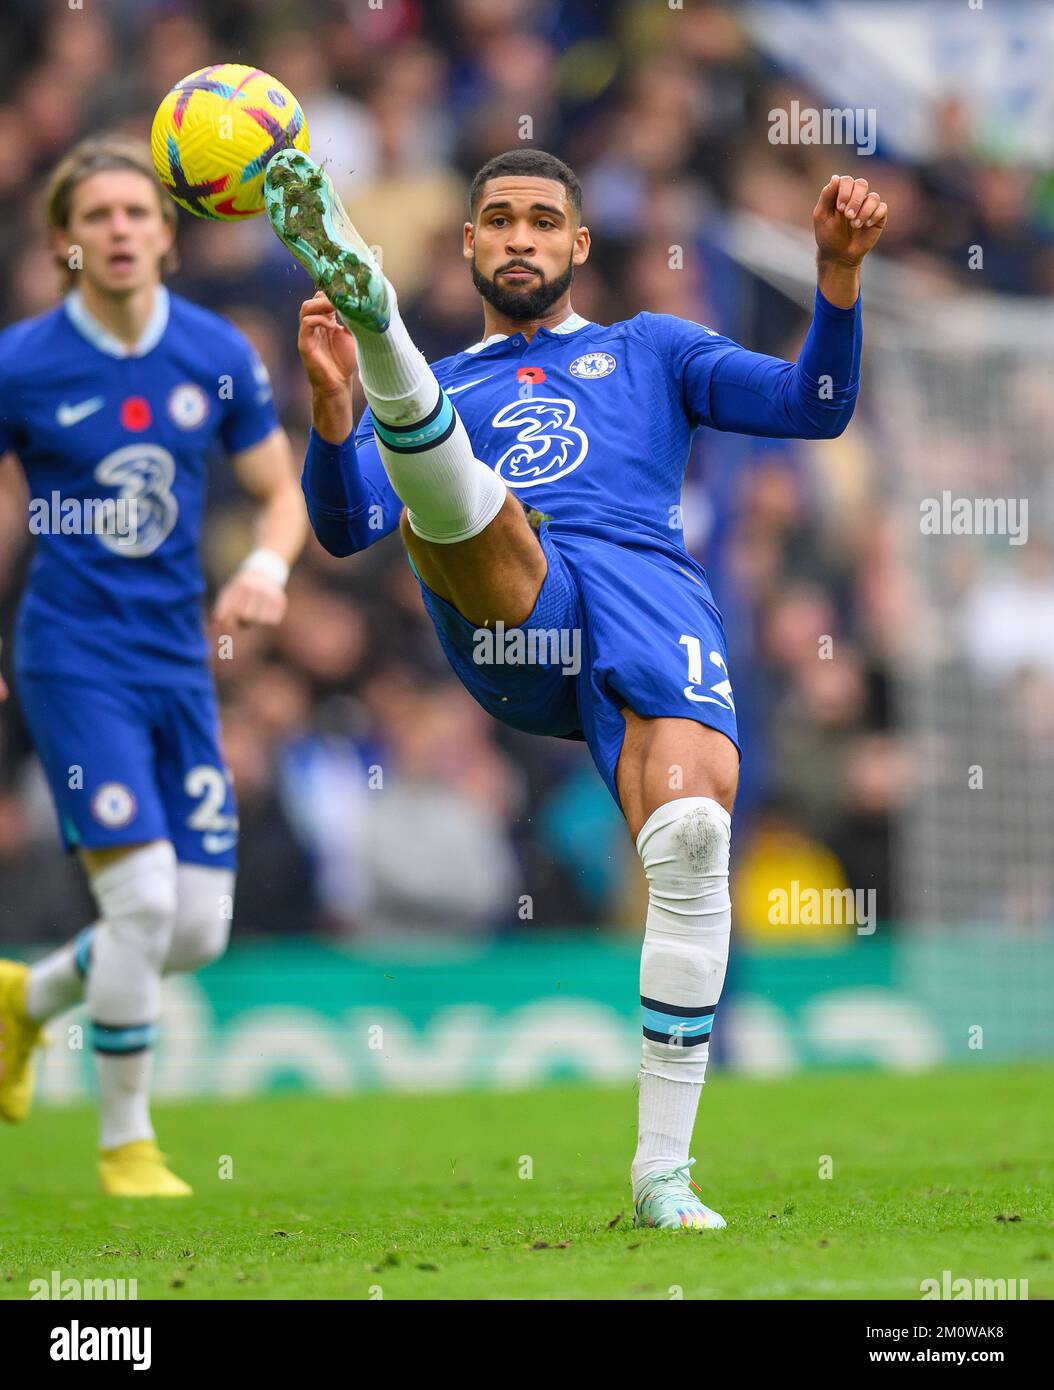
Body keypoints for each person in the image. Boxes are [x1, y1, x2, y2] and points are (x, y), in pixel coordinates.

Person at [265, 145, 885, 1229]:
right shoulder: (460, 380)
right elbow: (341, 523)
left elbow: (814, 405)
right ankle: (382, 335)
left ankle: (661, 1176)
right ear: (466, 244)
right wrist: (331, 416)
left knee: (693, 836)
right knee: (465, 503)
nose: (518, 238)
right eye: (497, 220)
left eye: (541, 221)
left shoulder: (653, 351)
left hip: (650, 603)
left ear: (578, 246)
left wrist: (835, 282)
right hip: (511, 606)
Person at [0, 136, 307, 1196]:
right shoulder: (21, 364)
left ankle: (26, 1001)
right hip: (70, 656)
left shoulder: (216, 353)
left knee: (195, 931)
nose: (120, 230)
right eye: (97, 217)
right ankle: (127, 1144)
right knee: (139, 905)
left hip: (177, 662)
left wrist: (266, 567)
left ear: (170, 238)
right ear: (64, 245)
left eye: (138, 213)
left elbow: (282, 490)